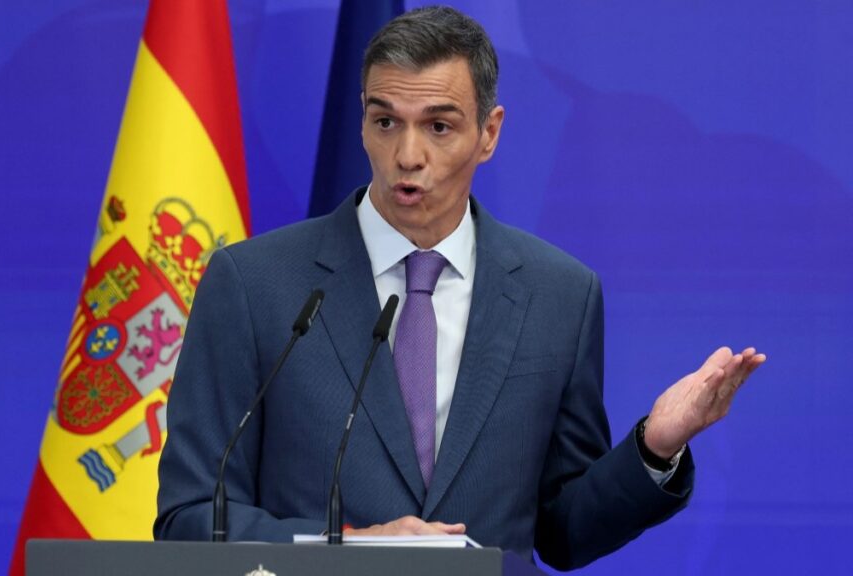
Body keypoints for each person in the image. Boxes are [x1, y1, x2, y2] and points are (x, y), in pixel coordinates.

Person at [153, 6, 765, 570]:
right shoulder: (253, 284)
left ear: (489, 133)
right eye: (385, 121)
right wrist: (352, 547)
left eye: (439, 127)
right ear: (362, 123)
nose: (407, 154)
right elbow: (192, 518)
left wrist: (654, 448)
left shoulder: (560, 295)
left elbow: (563, 532)